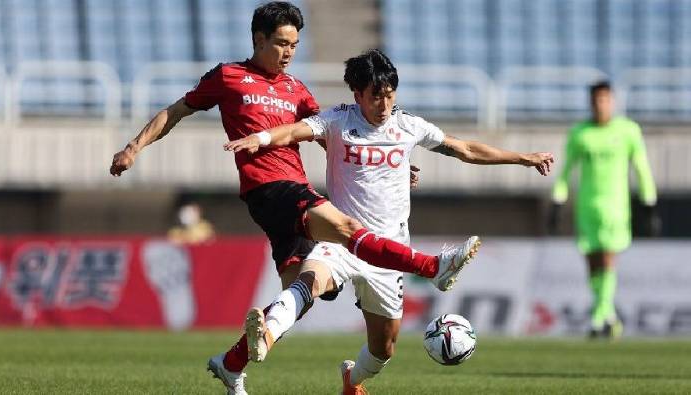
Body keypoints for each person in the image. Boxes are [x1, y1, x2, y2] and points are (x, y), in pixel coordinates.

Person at [109, 3, 483, 393]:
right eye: (282, 44)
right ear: (259, 39)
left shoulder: (296, 89)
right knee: (345, 226)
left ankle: (231, 363)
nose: (289, 53)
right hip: (271, 189)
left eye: (295, 45)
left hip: (295, 193)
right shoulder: (229, 76)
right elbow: (177, 110)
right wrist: (134, 147)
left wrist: (390, 168)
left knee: (297, 298)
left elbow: (330, 138)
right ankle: (430, 266)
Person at [226, 49, 554, 394]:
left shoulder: (408, 125)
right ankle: (266, 333)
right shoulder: (338, 120)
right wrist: (260, 138)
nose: (383, 104)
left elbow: (465, 149)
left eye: (389, 95)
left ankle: (352, 381)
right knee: (310, 282)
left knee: (383, 351)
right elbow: (293, 132)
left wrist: (523, 158)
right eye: (375, 97)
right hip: (343, 238)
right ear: (358, 95)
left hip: (389, 253)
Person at [550, 81, 658, 339]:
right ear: (590, 102)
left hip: (615, 206)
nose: (601, 104)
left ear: (613, 101)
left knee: (608, 258)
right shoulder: (580, 133)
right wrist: (557, 200)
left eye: (606, 99)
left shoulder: (628, 130)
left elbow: (641, 167)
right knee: (592, 263)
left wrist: (649, 202)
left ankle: (598, 318)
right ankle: (608, 315)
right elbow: (566, 171)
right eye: (597, 100)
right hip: (587, 206)